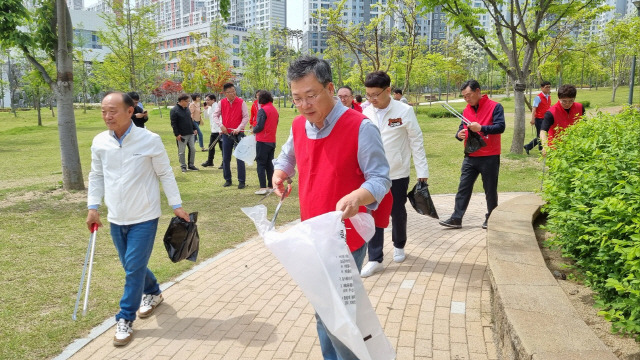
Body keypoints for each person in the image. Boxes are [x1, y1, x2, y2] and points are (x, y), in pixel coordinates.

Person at [272, 56, 391, 360]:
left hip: (345, 238)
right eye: (297, 98)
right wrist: (281, 172)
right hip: (312, 235)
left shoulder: (360, 127)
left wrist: (359, 196)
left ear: (330, 88)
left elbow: (380, 178)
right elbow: (287, 156)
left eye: (311, 95)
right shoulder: (300, 125)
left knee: (339, 317)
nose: (304, 104)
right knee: (323, 312)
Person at [86, 92, 191, 347]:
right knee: (130, 265)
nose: (107, 116)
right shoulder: (100, 142)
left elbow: (165, 173)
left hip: (145, 216)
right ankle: (153, 292)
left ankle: (124, 318)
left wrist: (175, 205)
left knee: (133, 268)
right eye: (103, 111)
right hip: (116, 216)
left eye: (113, 111)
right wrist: (93, 207)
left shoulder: (149, 140)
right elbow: (96, 174)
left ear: (130, 111)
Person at [360, 71, 430, 277]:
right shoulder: (366, 112)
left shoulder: (404, 111)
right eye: (368, 95)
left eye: (375, 95)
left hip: (397, 172)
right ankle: (375, 258)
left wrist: (422, 171)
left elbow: (416, 141)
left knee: (396, 211)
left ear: (388, 91)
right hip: (372, 174)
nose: (372, 99)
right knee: (373, 212)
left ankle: (399, 245)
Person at [439, 79, 506, 230]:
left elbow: (500, 127)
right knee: (463, 187)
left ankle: (492, 217)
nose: (467, 99)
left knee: (490, 188)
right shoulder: (466, 110)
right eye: (464, 96)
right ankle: (456, 218)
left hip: (490, 155)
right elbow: (460, 128)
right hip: (470, 155)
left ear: (478, 91)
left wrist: (481, 127)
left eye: (469, 95)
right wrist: (459, 134)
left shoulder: (495, 107)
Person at [212, 83, 250, 189]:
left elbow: (246, 117)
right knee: (226, 158)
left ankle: (241, 181)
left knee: (240, 157)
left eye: (234, 91)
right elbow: (215, 115)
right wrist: (221, 125)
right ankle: (227, 179)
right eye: (230, 92)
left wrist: (239, 128)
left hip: (239, 133)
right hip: (226, 134)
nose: (233, 93)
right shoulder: (221, 102)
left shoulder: (241, 102)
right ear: (225, 93)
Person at [540, 84, 584, 156]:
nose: (567, 104)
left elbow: (584, 126)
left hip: (575, 148)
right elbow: (543, 131)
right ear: (559, 98)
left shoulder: (580, 107)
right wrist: (545, 146)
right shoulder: (551, 112)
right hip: (556, 149)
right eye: (564, 101)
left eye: (571, 101)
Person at [252, 90, 279, 195]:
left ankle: (263, 187)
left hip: (263, 140)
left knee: (261, 164)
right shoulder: (274, 110)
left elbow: (259, 126)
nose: (257, 99)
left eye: (259, 97)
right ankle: (270, 185)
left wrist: (254, 129)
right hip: (272, 140)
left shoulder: (263, 110)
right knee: (269, 164)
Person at [170, 93, 198, 172]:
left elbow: (190, 119)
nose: (188, 103)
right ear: (182, 101)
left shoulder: (187, 109)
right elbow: (173, 123)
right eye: (187, 101)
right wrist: (177, 134)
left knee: (192, 149)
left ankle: (191, 165)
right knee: (181, 151)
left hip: (190, 133)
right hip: (181, 135)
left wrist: (194, 128)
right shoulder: (174, 110)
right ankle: (183, 166)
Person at [524, 81, 552, 154]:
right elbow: (534, 108)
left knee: (544, 134)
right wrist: (532, 119)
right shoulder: (538, 97)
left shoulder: (548, 97)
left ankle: (528, 146)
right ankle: (541, 150)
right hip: (539, 118)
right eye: (546, 87)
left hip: (546, 118)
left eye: (549, 87)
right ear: (542, 88)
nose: (548, 88)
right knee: (540, 135)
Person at [201, 94, 224, 168]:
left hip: (219, 131)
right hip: (213, 131)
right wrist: (205, 109)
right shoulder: (210, 108)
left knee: (222, 147)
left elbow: (221, 118)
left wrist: (221, 129)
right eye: (206, 100)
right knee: (211, 146)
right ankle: (210, 161)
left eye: (208, 100)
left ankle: (224, 163)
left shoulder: (218, 107)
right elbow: (206, 117)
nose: (206, 101)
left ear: (213, 100)